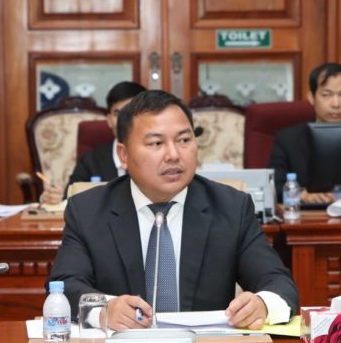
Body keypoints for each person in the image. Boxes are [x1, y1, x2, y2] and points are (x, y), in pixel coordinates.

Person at [47, 90, 299, 330]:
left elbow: (279, 284)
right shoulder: (88, 211)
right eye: (156, 143)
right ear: (124, 155)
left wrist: (263, 304)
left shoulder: (231, 208)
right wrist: (103, 311)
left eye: (184, 140)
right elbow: (64, 285)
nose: (173, 155)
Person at [40, 81, 146, 205]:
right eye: (117, 114)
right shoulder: (90, 160)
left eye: (130, 113)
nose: (123, 120)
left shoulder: (157, 156)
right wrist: (54, 198)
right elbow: (71, 199)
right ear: (109, 120)